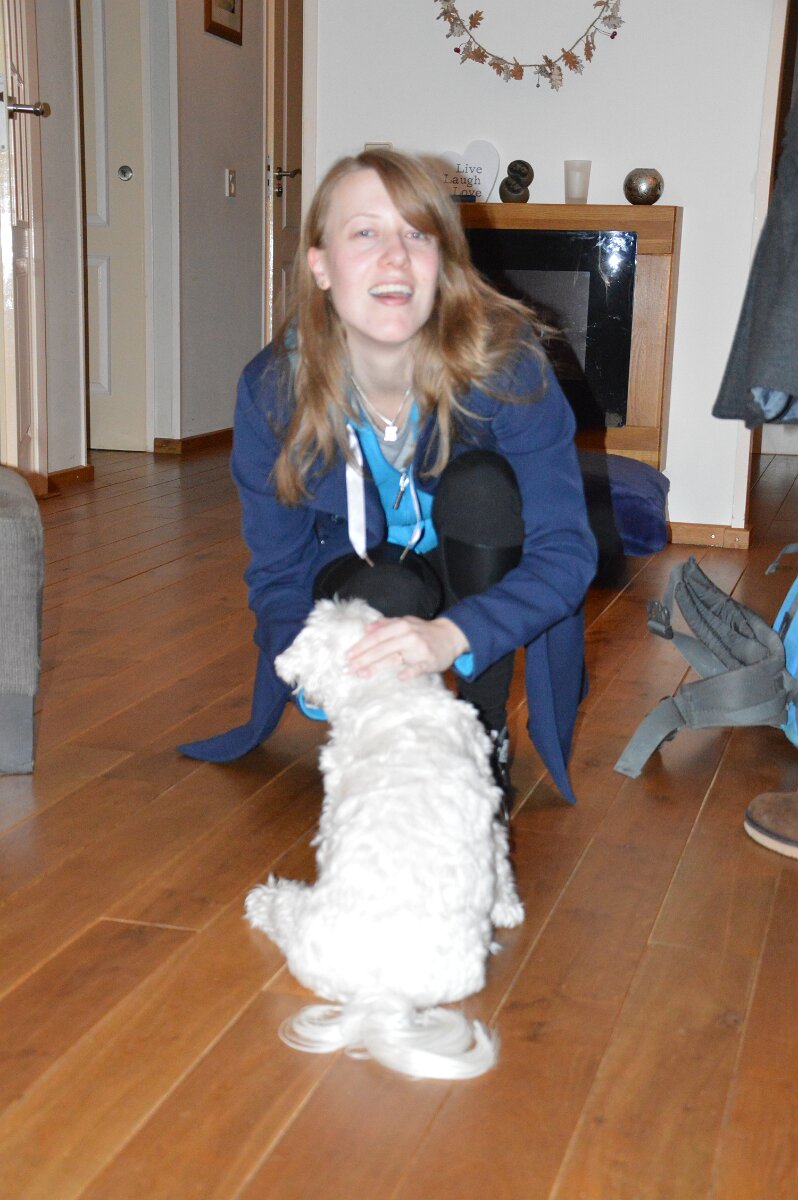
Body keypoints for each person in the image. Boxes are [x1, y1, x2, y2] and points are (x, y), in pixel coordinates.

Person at [179, 148, 597, 806]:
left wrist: (450, 636)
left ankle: (482, 733)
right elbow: (277, 572)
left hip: (478, 560)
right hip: (364, 571)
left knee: (483, 487)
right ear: (321, 264)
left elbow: (567, 551)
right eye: (365, 232)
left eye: (417, 234)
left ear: (444, 263)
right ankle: (384, 742)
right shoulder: (273, 390)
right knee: (390, 586)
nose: (396, 257)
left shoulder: (506, 365)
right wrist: (309, 669)